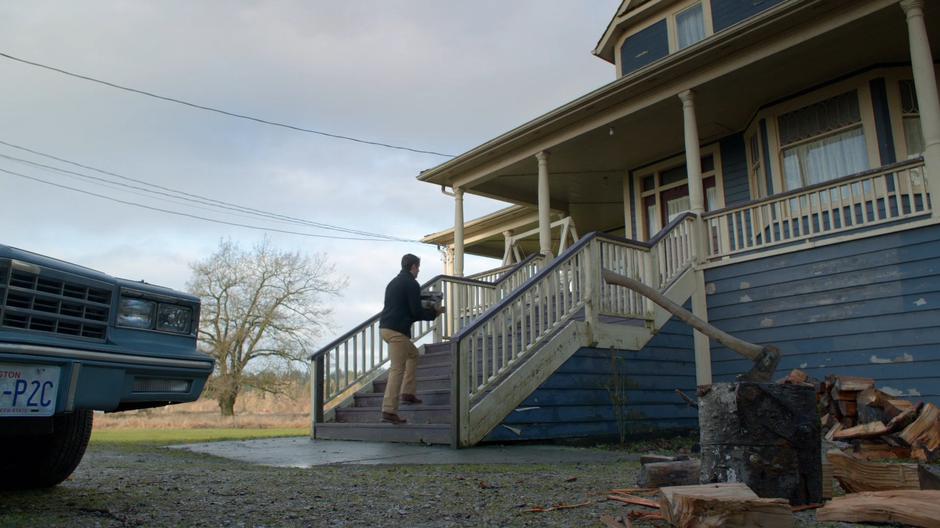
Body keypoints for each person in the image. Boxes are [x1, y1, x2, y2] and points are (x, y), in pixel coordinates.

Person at [379, 253, 445, 424]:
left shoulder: (393, 283)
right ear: (413, 267)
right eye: (418, 267)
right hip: (397, 332)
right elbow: (415, 312)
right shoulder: (412, 284)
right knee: (396, 369)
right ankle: (389, 410)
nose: (419, 271)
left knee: (413, 355)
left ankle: (408, 393)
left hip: (385, 328)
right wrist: (434, 313)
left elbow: (404, 308)